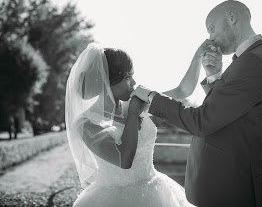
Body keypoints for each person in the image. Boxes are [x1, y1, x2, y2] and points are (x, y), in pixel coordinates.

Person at [131, 0, 262, 207]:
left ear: (232, 17)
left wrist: (151, 97)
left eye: (212, 29)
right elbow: (228, 114)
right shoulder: (252, 58)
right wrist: (214, 76)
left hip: (230, 187)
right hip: (223, 182)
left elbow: (202, 121)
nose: (210, 37)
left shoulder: (253, 61)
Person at [65, 42, 201, 206]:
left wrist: (199, 55)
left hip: (157, 191)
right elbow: (124, 159)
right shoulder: (86, 123)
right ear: (108, 80)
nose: (134, 82)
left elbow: (182, 91)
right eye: (128, 77)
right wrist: (133, 115)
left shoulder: (136, 101)